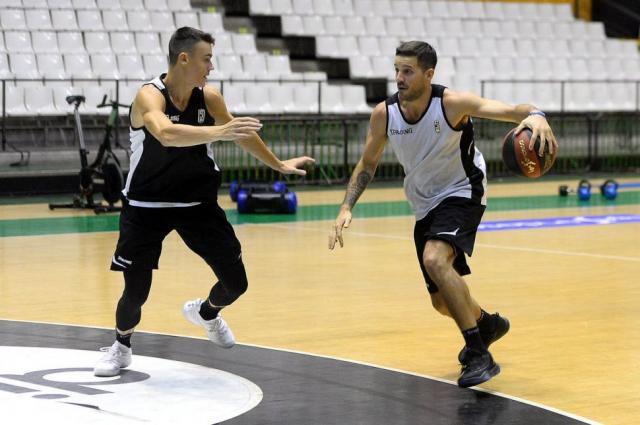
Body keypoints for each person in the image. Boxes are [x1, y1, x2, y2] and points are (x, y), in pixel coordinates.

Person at [328, 41, 557, 388]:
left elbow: (513, 110)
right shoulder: (385, 114)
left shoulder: (451, 104)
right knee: (440, 302)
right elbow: (368, 163)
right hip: (424, 204)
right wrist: (347, 206)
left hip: (462, 191)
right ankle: (486, 323)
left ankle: (479, 354)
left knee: (435, 259)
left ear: (428, 74)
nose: (399, 78)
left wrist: (536, 114)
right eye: (397, 70)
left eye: (408, 71)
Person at [94, 27, 314, 377]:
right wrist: (219, 131)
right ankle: (121, 346)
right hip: (145, 206)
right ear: (185, 59)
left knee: (236, 283)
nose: (211, 66)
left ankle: (206, 313)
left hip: (198, 203)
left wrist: (279, 165)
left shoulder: (209, 98)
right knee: (136, 293)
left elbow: (241, 134)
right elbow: (165, 133)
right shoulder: (149, 96)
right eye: (206, 58)